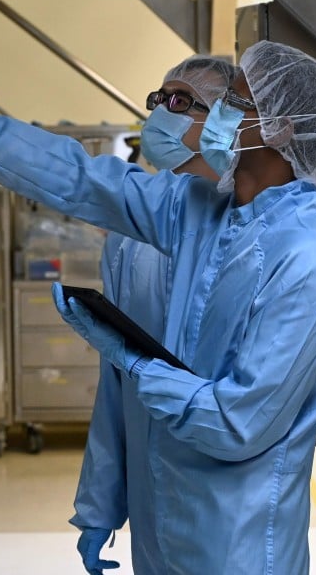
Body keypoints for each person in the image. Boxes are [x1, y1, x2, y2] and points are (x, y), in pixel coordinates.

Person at [0, 40, 316, 575]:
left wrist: (135, 362)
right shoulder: (202, 213)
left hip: (241, 546)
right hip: (161, 526)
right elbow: (79, 178)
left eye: (236, 103)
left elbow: (236, 424)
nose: (220, 114)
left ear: (282, 130)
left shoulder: (305, 260)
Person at [71, 56, 239, 575]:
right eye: (159, 100)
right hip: (152, 500)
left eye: (181, 102)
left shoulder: (257, 226)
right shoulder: (131, 239)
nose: (161, 114)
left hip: (234, 503)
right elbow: (115, 383)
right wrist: (99, 506)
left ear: (227, 121)